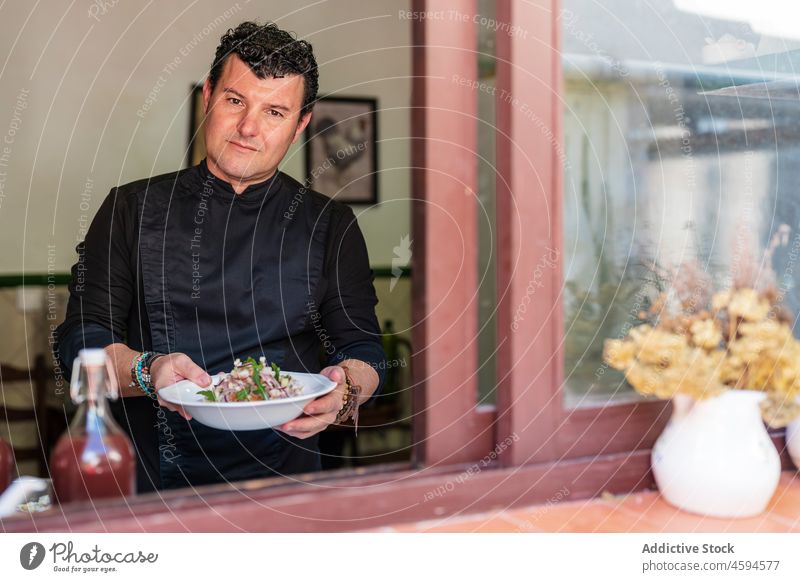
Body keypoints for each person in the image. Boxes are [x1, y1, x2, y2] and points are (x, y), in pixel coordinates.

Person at [55, 21, 385, 493]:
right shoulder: (131, 209)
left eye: (274, 111)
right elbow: (79, 343)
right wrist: (149, 372)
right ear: (208, 96)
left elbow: (363, 349)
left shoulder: (330, 225)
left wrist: (346, 390)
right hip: (151, 476)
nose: (249, 128)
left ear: (300, 125)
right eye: (235, 101)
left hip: (284, 476)